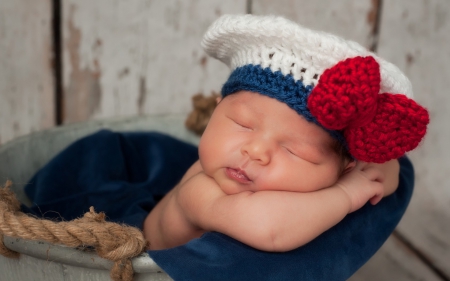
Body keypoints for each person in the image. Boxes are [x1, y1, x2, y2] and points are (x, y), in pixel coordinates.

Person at [143, 14, 429, 251]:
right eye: (242, 124)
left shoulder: (326, 177)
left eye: (294, 151)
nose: (255, 151)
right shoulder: (202, 190)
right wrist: (346, 193)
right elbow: (268, 229)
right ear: (215, 111)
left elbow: (385, 174)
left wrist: (377, 171)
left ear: (343, 169)